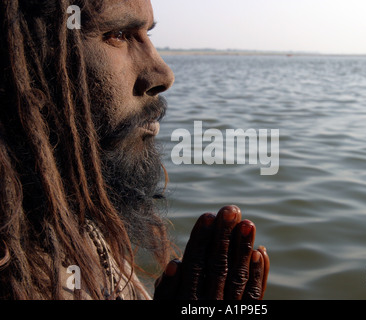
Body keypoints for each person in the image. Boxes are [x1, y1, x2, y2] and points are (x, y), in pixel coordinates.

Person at [0, 0, 269, 300]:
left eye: (147, 34)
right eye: (117, 34)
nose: (164, 75)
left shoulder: (72, 221)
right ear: (23, 55)